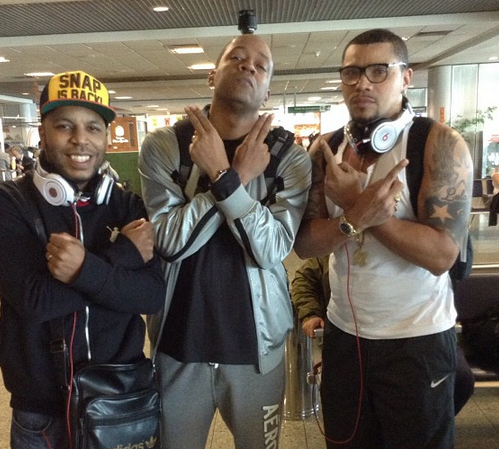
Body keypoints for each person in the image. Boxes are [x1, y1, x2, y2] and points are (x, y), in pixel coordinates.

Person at [294, 28, 473, 448]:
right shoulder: (329, 149)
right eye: (352, 72)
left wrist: (360, 206)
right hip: (345, 338)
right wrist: (354, 215)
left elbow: (442, 255)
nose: (363, 83)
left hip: (417, 342)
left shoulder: (438, 144)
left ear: (406, 77)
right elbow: (305, 244)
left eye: (379, 71)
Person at [0, 70, 166, 449]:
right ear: (42, 132)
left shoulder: (126, 205)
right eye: (65, 126)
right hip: (41, 411)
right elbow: (34, 301)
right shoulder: (3, 204)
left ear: (106, 137)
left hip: (119, 397)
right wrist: (123, 256)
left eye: (93, 128)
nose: (81, 139)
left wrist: (81, 270)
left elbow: (151, 296)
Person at [139, 34, 311, 449]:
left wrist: (223, 176)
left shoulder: (289, 157)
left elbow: (271, 251)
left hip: (257, 350)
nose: (248, 66)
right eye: (237, 57)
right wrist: (229, 177)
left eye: (261, 64)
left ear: (268, 88)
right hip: (178, 347)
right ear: (213, 74)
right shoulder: (167, 146)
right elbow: (169, 242)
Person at [291, 256, 475, 416]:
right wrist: (310, 313)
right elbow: (304, 276)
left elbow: (457, 264)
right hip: (352, 338)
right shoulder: (336, 249)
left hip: (421, 335)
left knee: (460, 379)